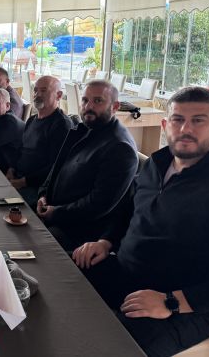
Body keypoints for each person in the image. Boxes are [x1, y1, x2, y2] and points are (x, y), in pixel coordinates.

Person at [72, 86, 209, 357]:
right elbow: (130, 208)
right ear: (165, 125)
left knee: (112, 345)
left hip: (187, 303)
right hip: (129, 272)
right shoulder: (157, 163)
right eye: (178, 119)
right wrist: (106, 241)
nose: (185, 129)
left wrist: (172, 301)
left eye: (198, 120)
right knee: (63, 281)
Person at [36, 80, 138, 251]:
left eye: (98, 101)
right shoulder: (83, 129)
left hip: (78, 234)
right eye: (85, 100)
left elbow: (98, 205)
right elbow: (57, 168)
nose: (88, 106)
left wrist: (56, 212)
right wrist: (43, 194)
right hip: (52, 213)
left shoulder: (120, 148)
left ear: (115, 107)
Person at [6, 76, 73, 207]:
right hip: (18, 177)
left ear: (59, 95)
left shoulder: (62, 125)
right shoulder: (32, 120)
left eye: (43, 90)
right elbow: (21, 149)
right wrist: (11, 169)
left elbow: (55, 167)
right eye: (35, 90)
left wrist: (23, 182)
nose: (37, 95)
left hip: (36, 188)